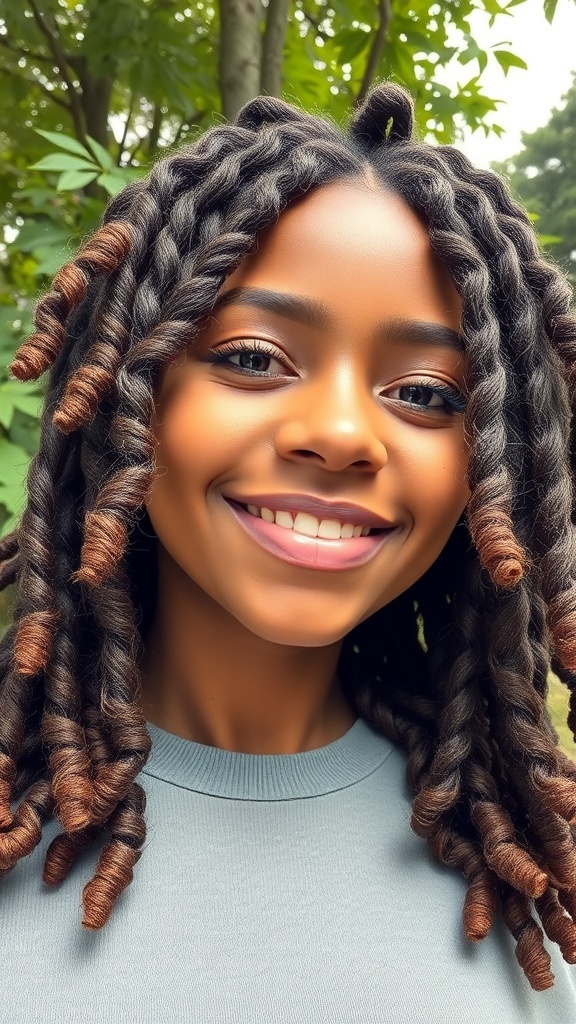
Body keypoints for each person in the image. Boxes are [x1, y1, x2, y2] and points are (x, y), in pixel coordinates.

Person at [1, 81, 576, 1023]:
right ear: (125, 393)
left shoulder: (533, 890)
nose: (345, 434)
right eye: (256, 358)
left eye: (427, 392)